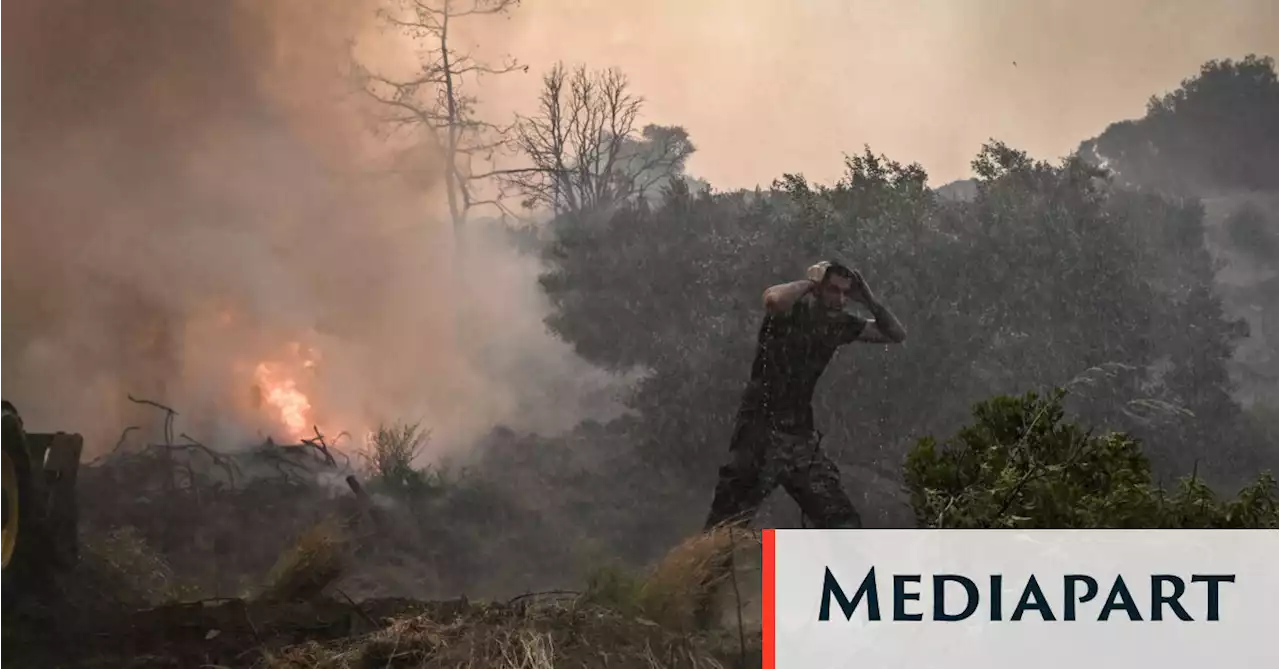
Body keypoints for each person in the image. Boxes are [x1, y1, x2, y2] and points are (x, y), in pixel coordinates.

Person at [702, 260, 906, 530]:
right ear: (818, 289)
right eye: (834, 290)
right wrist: (811, 282)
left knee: (842, 523)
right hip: (759, 433)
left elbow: (895, 334)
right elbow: (773, 299)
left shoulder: (838, 324)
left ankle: (845, 571)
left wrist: (869, 300)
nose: (841, 300)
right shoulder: (790, 313)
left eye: (846, 293)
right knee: (725, 528)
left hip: (799, 439)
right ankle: (702, 571)